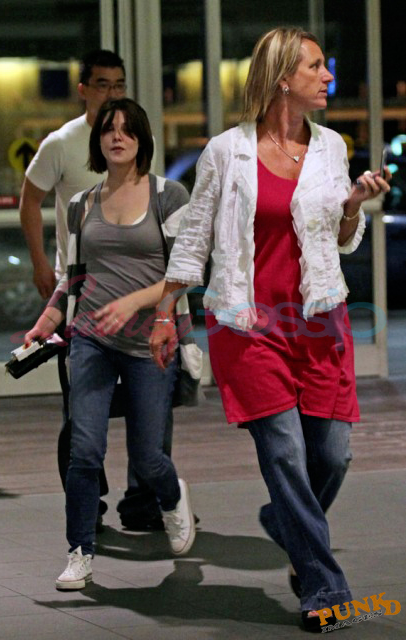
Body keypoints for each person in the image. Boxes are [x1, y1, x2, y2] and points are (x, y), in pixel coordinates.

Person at [150, 27, 391, 633]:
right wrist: (166, 311)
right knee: (284, 453)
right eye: (316, 67)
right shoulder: (226, 152)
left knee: (332, 455)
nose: (328, 76)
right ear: (283, 78)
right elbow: (195, 237)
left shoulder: (331, 147)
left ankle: (286, 522)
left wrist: (354, 206)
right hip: (250, 324)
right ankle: (324, 588)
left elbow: (341, 239)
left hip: (319, 322)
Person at [25, 97, 196, 590]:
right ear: (98, 141)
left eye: (127, 129)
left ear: (142, 139)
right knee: (84, 450)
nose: (117, 137)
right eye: (108, 129)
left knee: (148, 458)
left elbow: (185, 272)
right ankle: (79, 551)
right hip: (91, 340)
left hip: (150, 343)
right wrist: (47, 321)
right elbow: (72, 277)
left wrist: (133, 303)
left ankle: (172, 496)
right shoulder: (81, 204)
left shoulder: (169, 196)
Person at [20, 49, 164, 531]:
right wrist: (42, 263)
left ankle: (145, 500)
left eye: (118, 84)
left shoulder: (133, 140)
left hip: (140, 303)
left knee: (147, 412)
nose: (111, 93)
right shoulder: (62, 143)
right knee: (82, 412)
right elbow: (30, 200)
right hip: (79, 295)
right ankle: (89, 504)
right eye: (102, 84)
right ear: (83, 90)